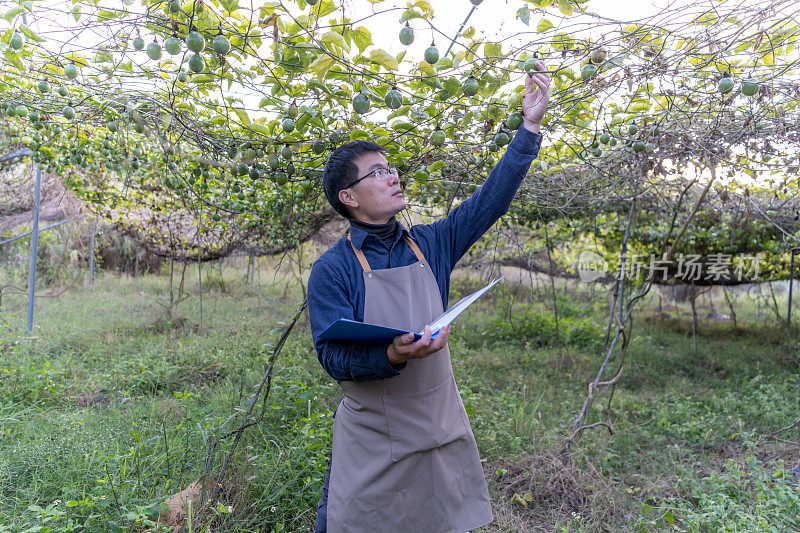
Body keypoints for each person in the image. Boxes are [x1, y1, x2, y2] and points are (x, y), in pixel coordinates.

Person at [307, 61, 550, 533]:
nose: (393, 177)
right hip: (373, 435)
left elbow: (489, 202)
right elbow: (333, 355)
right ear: (349, 197)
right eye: (377, 172)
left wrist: (529, 129)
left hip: (436, 424)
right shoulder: (334, 268)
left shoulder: (431, 244)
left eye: (391, 168)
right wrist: (391, 353)